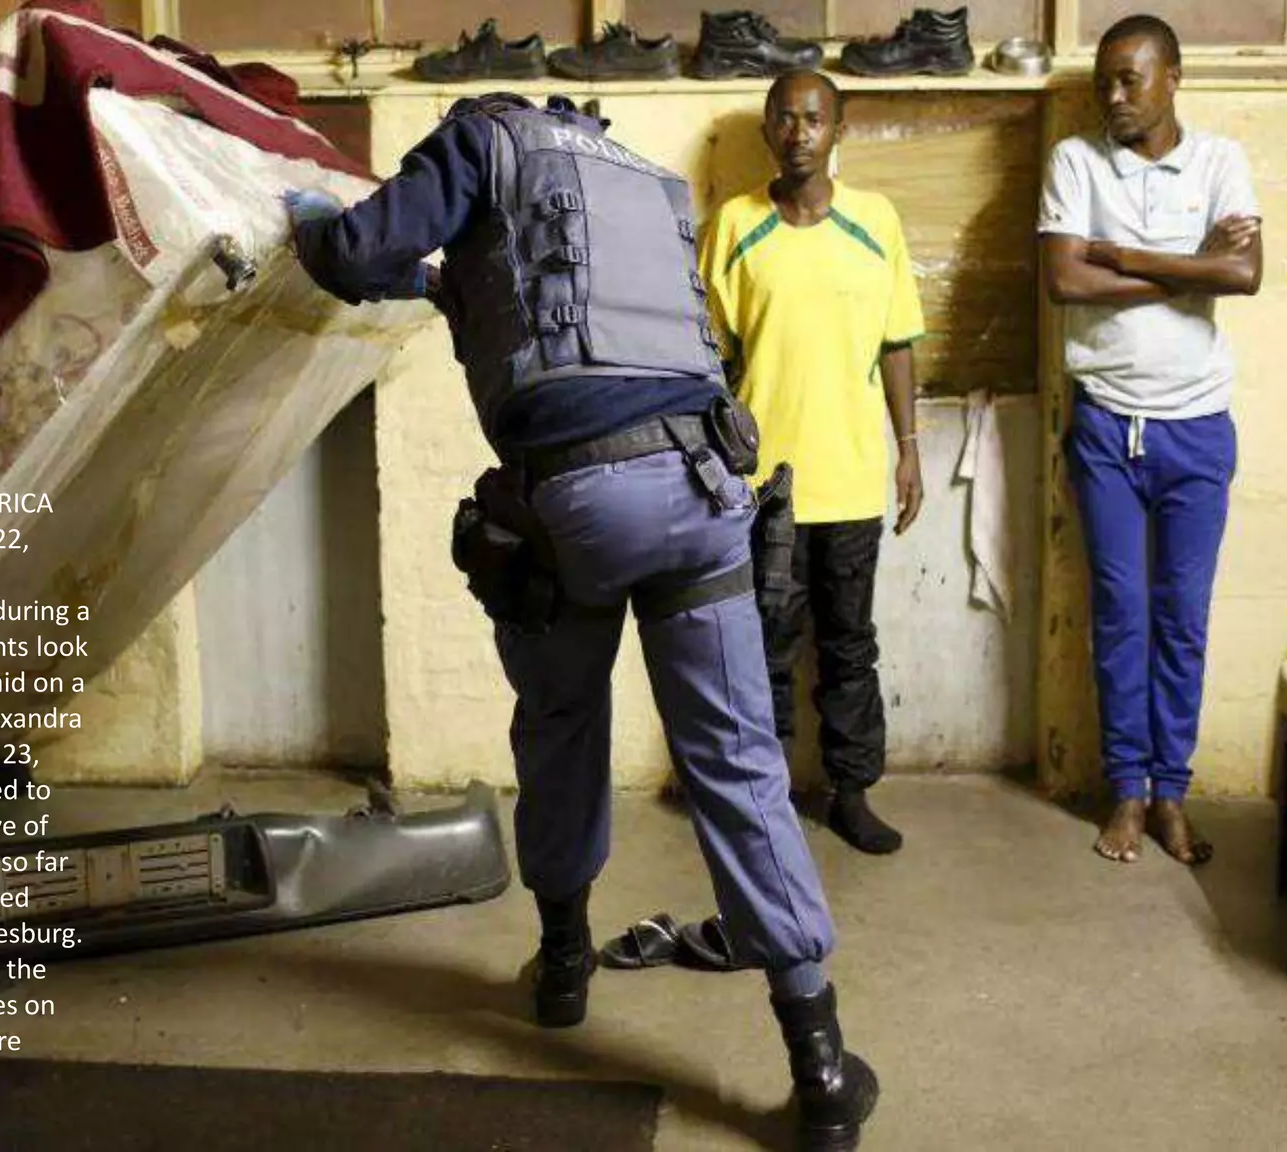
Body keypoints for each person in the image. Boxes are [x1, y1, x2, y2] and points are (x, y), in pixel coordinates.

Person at [288, 93, 879, 1148]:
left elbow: (354, 251)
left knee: (562, 725)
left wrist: (303, 223)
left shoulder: (481, 137)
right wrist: (440, 286)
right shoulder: (640, 179)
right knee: (736, 760)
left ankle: (563, 969)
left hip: (578, 503)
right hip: (704, 489)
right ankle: (820, 1064)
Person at [1038, 15, 1263, 865]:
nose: (1115, 97)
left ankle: (1173, 794)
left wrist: (1120, 255)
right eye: (1105, 81)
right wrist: (1179, 263)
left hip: (1197, 429)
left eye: (1131, 79)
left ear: (1174, 76)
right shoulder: (1075, 160)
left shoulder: (1219, 161)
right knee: (1122, 616)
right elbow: (1065, 280)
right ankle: (1126, 792)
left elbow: (1242, 273)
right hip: (1105, 425)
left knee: (1183, 619)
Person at [699, 70, 926, 855]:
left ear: (838, 131)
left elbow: (898, 343)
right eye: (784, 119)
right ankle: (761, 800)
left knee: (849, 644)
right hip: (764, 490)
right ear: (767, 131)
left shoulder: (876, 223)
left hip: (854, 476)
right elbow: (707, 358)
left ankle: (851, 792)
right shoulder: (733, 225)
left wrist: (911, 451)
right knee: (760, 649)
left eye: (813, 119)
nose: (799, 132)